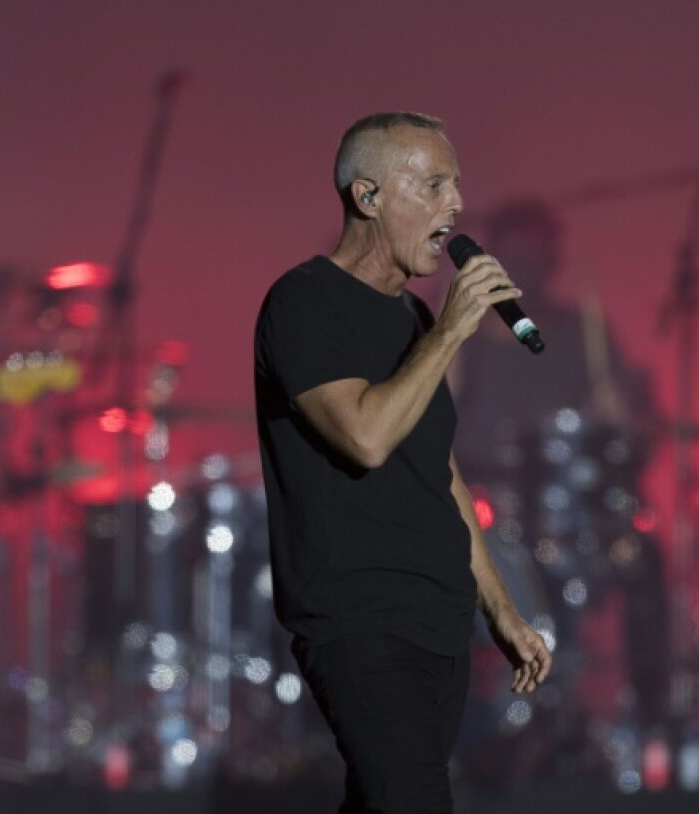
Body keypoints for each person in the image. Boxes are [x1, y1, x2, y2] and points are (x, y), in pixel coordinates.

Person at [254, 111, 552, 812]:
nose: (455, 205)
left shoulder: (413, 320)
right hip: (361, 619)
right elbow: (365, 436)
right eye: (435, 185)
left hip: (439, 621)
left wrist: (501, 609)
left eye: (458, 187)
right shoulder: (303, 302)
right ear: (368, 196)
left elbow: (436, 471)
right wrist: (451, 331)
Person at [450, 199, 669, 777]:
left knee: (645, 562)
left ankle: (652, 720)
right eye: (509, 254)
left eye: (532, 254)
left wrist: (626, 418)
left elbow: (633, 432)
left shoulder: (581, 334)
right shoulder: (461, 337)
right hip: (481, 513)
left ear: (552, 259)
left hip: (572, 517)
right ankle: (476, 728)